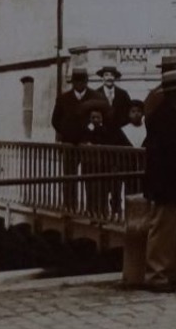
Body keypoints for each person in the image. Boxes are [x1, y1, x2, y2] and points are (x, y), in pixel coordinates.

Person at [140, 56, 176, 292]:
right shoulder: (165, 116)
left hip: (173, 181)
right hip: (166, 181)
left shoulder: (175, 113)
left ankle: (175, 271)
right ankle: (156, 275)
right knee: (162, 228)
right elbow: (169, 153)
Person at [52, 67, 110, 213]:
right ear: (72, 82)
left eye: (82, 80)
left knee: (90, 178)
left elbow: (107, 117)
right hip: (70, 145)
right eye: (76, 81)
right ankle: (70, 208)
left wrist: (93, 135)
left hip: (89, 146)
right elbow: (55, 120)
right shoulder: (63, 99)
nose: (79, 84)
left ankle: (92, 209)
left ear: (86, 81)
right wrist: (66, 133)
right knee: (69, 178)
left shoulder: (96, 97)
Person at [80, 104, 123, 220]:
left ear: (102, 118)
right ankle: (91, 210)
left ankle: (103, 212)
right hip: (89, 163)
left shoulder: (105, 130)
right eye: (93, 118)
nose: (95, 120)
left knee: (102, 189)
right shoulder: (86, 129)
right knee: (90, 188)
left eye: (98, 117)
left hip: (102, 164)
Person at [96, 65, 134, 134]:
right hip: (100, 133)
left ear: (115, 77)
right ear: (102, 77)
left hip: (120, 133)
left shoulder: (123, 94)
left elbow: (128, 113)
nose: (109, 78)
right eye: (106, 75)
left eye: (112, 75)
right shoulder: (96, 94)